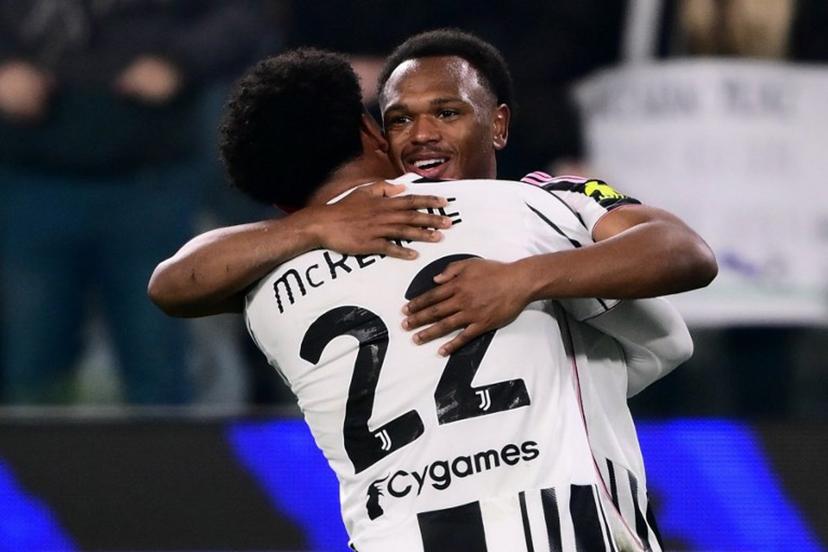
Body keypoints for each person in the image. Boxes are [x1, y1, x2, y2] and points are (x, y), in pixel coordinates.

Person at [214, 47, 693, 551]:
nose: (421, 133)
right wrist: (527, 280)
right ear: (371, 132)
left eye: (446, 112)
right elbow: (672, 311)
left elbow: (173, 281)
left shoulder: (262, 293)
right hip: (553, 527)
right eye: (399, 118)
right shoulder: (524, 208)